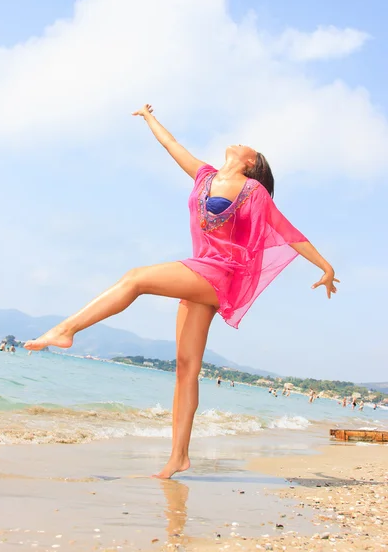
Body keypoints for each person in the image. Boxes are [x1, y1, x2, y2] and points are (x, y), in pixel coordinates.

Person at [23, 104, 339, 479]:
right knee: (185, 370)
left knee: (136, 278)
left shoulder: (253, 191)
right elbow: (171, 145)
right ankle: (178, 457)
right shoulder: (204, 175)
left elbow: (288, 231)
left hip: (220, 273)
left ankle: (66, 330)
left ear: (251, 163)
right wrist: (149, 117)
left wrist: (326, 266)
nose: (239, 142)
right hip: (200, 273)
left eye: (247, 146)